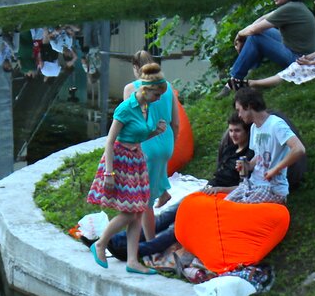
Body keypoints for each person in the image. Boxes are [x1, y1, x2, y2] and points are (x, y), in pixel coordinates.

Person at [101, 113, 251, 262]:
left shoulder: (249, 156)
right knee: (167, 215)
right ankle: (113, 241)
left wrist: (219, 190)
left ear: (247, 132)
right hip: (208, 191)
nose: (233, 135)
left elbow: (245, 187)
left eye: (237, 131)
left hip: (222, 197)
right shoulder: (230, 148)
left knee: (180, 225)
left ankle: (134, 251)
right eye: (231, 131)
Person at [87, 63, 169, 275]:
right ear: (145, 90)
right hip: (120, 160)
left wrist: (155, 132)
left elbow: (138, 135)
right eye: (157, 94)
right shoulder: (125, 109)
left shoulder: (146, 108)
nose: (159, 98)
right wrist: (109, 172)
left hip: (136, 160)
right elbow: (110, 141)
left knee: (139, 210)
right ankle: (100, 243)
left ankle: (132, 260)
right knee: (128, 213)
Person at [220, 0, 315, 95]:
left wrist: (240, 35)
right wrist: (244, 32)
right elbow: (263, 19)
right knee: (262, 32)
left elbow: (254, 30)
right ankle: (251, 68)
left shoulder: (289, 9)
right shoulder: (294, 6)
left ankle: (234, 80)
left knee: (255, 37)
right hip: (297, 51)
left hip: (299, 58)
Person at [122, 50, 180, 241]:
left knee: (144, 200)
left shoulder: (132, 88)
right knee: (157, 168)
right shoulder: (168, 87)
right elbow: (176, 122)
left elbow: (130, 122)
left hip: (147, 142)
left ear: (136, 68)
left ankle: (150, 242)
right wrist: (174, 141)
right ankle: (163, 192)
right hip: (167, 140)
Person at [227, 87, 305, 205]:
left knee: (240, 212)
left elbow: (299, 149)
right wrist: (247, 166)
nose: (239, 115)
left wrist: (276, 169)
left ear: (248, 106)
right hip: (253, 183)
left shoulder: (276, 124)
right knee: (226, 205)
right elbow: (259, 157)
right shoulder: (254, 127)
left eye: (239, 110)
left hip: (272, 187)